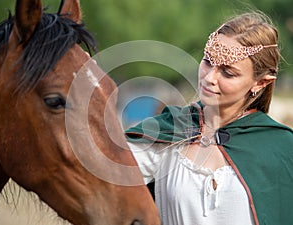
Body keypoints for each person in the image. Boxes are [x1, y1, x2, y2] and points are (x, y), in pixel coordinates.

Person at [125, 11, 293, 225]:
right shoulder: (168, 130)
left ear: (260, 83)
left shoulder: (282, 148)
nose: (209, 77)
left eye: (228, 72)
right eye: (207, 61)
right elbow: (94, 175)